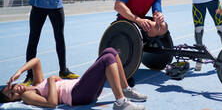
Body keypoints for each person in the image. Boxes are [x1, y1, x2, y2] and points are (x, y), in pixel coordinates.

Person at [0, 48, 147, 110]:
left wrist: (19, 72)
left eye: (12, 88)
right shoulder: (27, 96)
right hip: (77, 94)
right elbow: (51, 103)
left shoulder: (34, 85)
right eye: (13, 95)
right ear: (15, 100)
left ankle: (125, 89)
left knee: (110, 51)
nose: (16, 90)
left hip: (81, 87)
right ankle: (120, 102)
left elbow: (36, 61)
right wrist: (51, 80)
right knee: (108, 58)